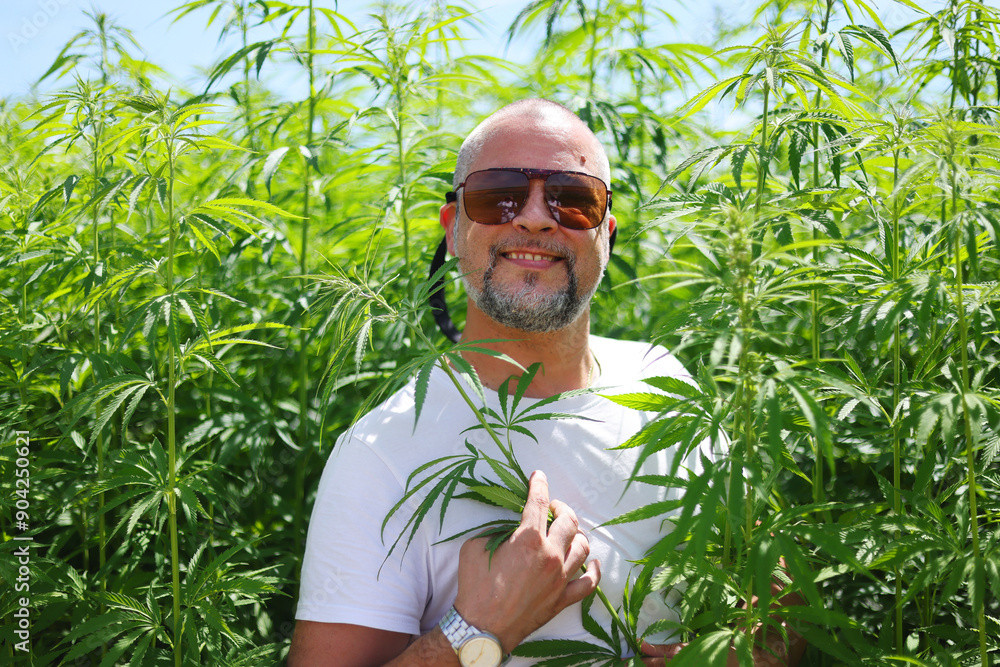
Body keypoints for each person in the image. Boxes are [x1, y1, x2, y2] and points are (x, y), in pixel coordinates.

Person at [288, 99, 803, 667]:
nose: (535, 218)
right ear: (453, 228)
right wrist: (477, 631)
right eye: (497, 195)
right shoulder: (379, 452)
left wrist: (743, 654)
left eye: (573, 199)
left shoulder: (662, 380)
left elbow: (783, 612)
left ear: (606, 234)